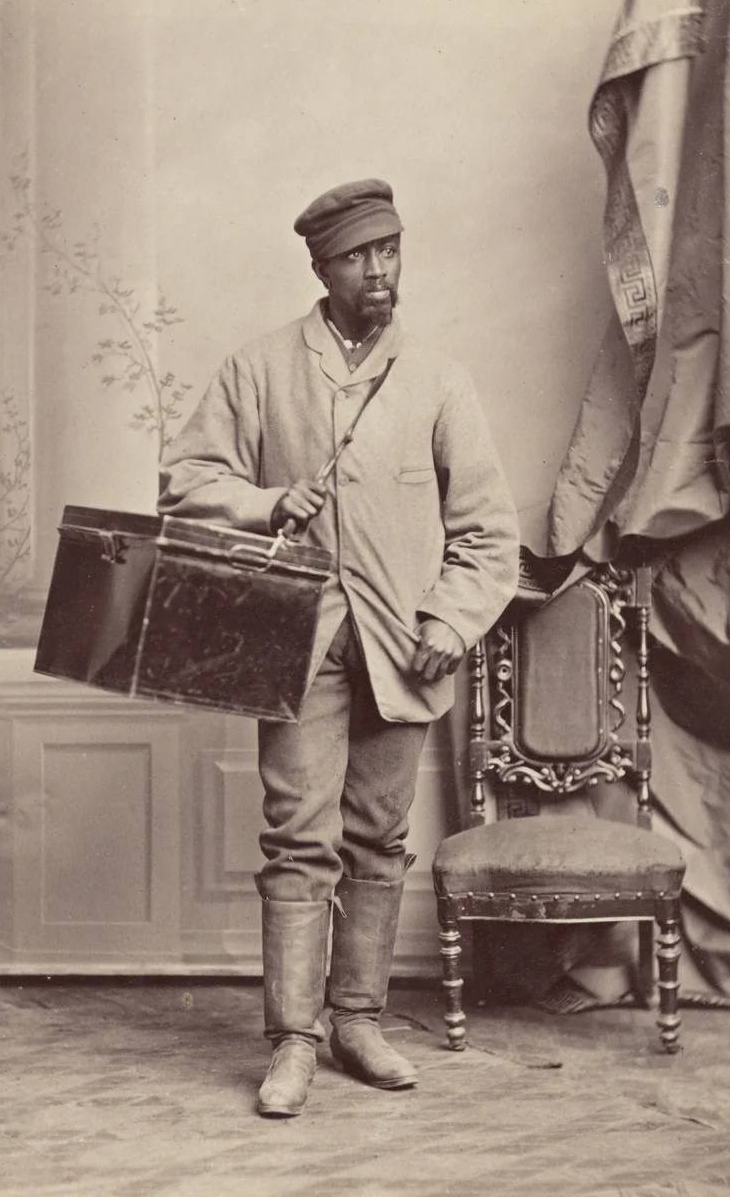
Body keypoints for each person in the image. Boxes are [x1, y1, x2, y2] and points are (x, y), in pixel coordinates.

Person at [159, 179, 520, 1117]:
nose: (381, 271)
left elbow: (488, 533)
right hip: (298, 643)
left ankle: (358, 1019)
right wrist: (264, 500)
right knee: (296, 841)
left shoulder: (439, 379)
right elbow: (185, 477)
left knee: (381, 837)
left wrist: (447, 619)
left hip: (407, 649)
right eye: (361, 256)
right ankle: (292, 1039)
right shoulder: (261, 369)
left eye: (392, 250)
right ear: (321, 267)